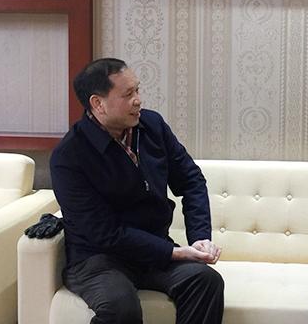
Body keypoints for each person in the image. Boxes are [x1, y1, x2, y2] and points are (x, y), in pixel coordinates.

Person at [49, 58, 224, 324]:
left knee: (205, 281)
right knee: (121, 307)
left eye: (138, 90)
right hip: (98, 259)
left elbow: (191, 180)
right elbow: (105, 233)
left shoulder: (152, 126)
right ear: (98, 104)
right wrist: (174, 253)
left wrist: (200, 237)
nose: (138, 100)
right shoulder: (69, 156)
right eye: (128, 94)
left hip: (153, 251)